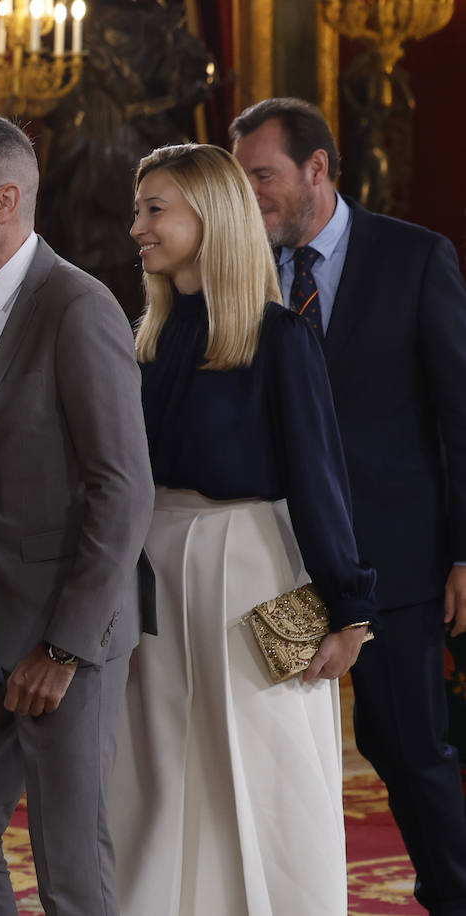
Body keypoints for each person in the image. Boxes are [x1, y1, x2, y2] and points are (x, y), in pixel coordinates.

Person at [108, 142, 377, 916]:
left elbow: (319, 481)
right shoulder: (145, 339)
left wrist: (350, 610)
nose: (137, 228)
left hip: (255, 569)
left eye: (155, 209)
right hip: (152, 577)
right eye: (138, 210)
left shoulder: (279, 337)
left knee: (267, 772)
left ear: (211, 215)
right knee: (156, 773)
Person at [0, 116, 154, 916]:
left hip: (65, 643)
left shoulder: (79, 308)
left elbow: (124, 492)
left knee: (71, 872)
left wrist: (62, 646)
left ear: (5, 199)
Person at [231, 98, 466, 916]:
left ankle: (453, 894)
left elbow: (459, 415)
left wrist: (465, 552)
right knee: (275, 749)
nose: (250, 193)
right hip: (281, 564)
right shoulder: (243, 272)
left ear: (316, 169)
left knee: (406, 747)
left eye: (263, 175)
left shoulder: (414, 259)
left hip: (392, 563)